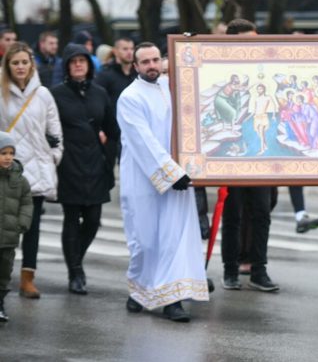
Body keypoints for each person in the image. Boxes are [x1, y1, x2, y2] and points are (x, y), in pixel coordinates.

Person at [117, 42, 208, 322]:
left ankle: (174, 300)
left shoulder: (174, 89)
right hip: (145, 179)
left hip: (178, 178)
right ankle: (140, 290)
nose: (152, 66)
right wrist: (171, 173)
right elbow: (143, 140)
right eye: (145, 62)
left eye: (156, 60)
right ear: (136, 66)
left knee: (175, 239)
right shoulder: (129, 97)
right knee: (145, 242)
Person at [50, 43, 119, 295]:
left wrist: (108, 160)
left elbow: (113, 132)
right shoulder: (55, 94)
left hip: (95, 165)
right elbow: (47, 127)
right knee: (71, 219)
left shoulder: (100, 93)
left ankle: (75, 258)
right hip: (69, 165)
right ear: (67, 66)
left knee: (92, 220)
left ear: (89, 65)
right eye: (73, 61)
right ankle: (75, 272)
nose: (78, 64)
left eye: (83, 60)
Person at [0, 42, 63, 299]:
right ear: (8, 66)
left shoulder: (44, 94)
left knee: (32, 226)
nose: (21, 67)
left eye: (25, 62)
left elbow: (55, 130)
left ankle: (28, 278)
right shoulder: (1, 92)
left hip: (35, 169)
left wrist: (53, 158)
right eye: (15, 63)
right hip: (7, 170)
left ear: (31, 64)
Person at [220, 18, 278, 292]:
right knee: (232, 214)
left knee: (262, 213)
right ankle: (230, 270)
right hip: (231, 154)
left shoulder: (263, 68)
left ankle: (259, 269)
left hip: (260, 152)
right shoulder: (220, 70)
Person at [0, 131, 33, 323]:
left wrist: (23, 222)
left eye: (11, 153)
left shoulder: (19, 180)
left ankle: (0, 303)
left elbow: (27, 203)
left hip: (9, 237)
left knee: (4, 271)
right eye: (3, 153)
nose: (8, 157)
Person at [95, 37, 137, 166]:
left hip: (133, 131)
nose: (129, 52)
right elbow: (97, 103)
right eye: (125, 49)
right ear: (115, 51)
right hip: (111, 132)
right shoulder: (105, 75)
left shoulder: (137, 75)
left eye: (131, 49)